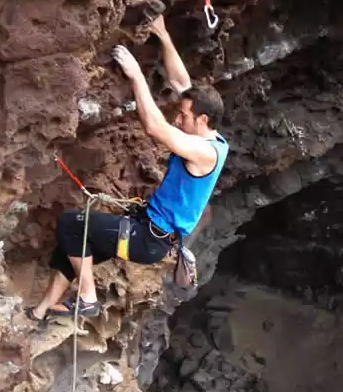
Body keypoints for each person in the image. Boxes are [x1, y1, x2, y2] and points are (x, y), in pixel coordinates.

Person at [25, 16, 229, 322]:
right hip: (146, 228)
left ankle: (88, 297)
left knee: (71, 224)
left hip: (148, 240)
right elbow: (181, 83)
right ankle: (42, 311)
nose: (178, 119)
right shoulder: (211, 135)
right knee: (77, 244)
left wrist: (137, 77)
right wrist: (163, 35)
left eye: (184, 116)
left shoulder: (204, 152)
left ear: (202, 120)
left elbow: (155, 127)